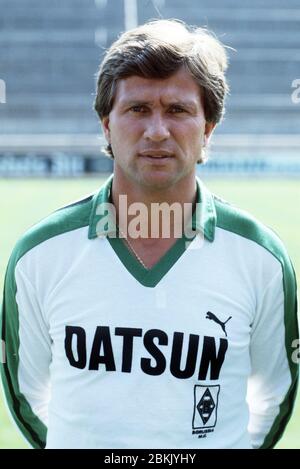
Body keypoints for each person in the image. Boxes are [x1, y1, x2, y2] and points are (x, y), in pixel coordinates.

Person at [0, 19, 298, 450]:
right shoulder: (39, 254)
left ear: (207, 129)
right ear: (106, 124)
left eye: (177, 110)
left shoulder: (261, 257)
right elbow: (26, 394)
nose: (157, 130)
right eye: (137, 109)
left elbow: (276, 394)